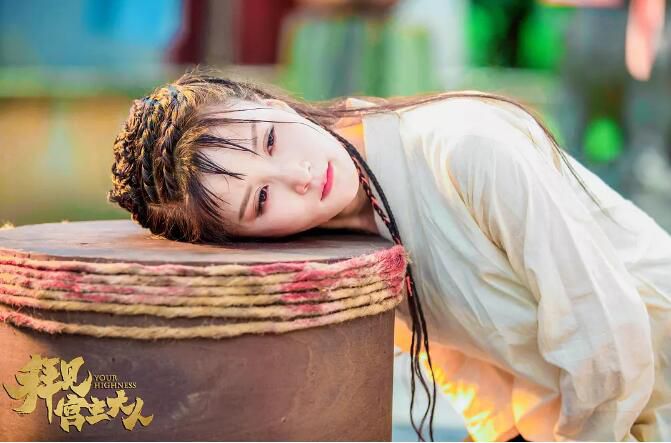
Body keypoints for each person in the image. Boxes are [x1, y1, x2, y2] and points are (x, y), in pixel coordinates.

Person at [107, 67, 671, 442]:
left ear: (266, 101)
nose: (299, 176)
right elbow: (464, 365)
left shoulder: (462, 151)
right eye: (260, 199)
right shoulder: (341, 241)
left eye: (270, 140)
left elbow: (605, 330)